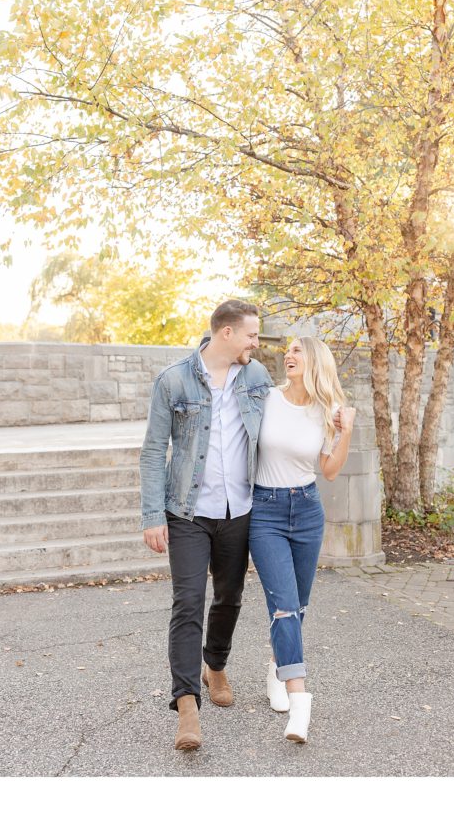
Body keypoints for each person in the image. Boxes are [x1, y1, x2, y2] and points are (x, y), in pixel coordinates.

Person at [139, 299, 273, 750]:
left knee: (229, 596)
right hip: (188, 512)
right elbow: (154, 451)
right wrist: (152, 515)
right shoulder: (174, 380)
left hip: (240, 509)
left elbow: (278, 426)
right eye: (252, 334)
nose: (257, 342)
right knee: (188, 601)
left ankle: (214, 664)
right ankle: (187, 707)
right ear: (227, 334)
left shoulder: (255, 377)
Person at [249, 335, 356, 743]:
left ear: (314, 361)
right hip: (265, 512)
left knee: (300, 605)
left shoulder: (327, 411)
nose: (288, 356)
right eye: (287, 350)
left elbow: (329, 470)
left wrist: (346, 431)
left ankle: (279, 667)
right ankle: (300, 699)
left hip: (307, 511)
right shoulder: (267, 398)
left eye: (297, 351)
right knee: (285, 608)